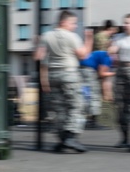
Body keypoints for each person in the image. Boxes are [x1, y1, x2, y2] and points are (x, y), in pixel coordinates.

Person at [38, 10, 93, 153]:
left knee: (59, 108)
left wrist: (44, 81)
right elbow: (84, 55)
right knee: (77, 106)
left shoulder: (46, 36)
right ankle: (70, 136)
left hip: (53, 76)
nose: (75, 26)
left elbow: (41, 58)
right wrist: (89, 40)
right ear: (64, 22)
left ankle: (61, 140)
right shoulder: (72, 37)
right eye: (73, 23)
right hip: (69, 75)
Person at [109, 13, 130, 148]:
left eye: (128, 23)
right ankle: (125, 138)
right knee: (120, 106)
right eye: (124, 22)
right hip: (121, 71)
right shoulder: (119, 37)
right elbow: (112, 50)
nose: (125, 25)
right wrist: (110, 48)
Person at [79, 46, 113, 128]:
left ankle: (83, 119)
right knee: (94, 95)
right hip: (88, 71)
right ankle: (92, 121)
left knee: (84, 94)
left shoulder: (100, 52)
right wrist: (114, 73)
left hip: (79, 70)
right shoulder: (107, 57)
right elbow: (102, 74)